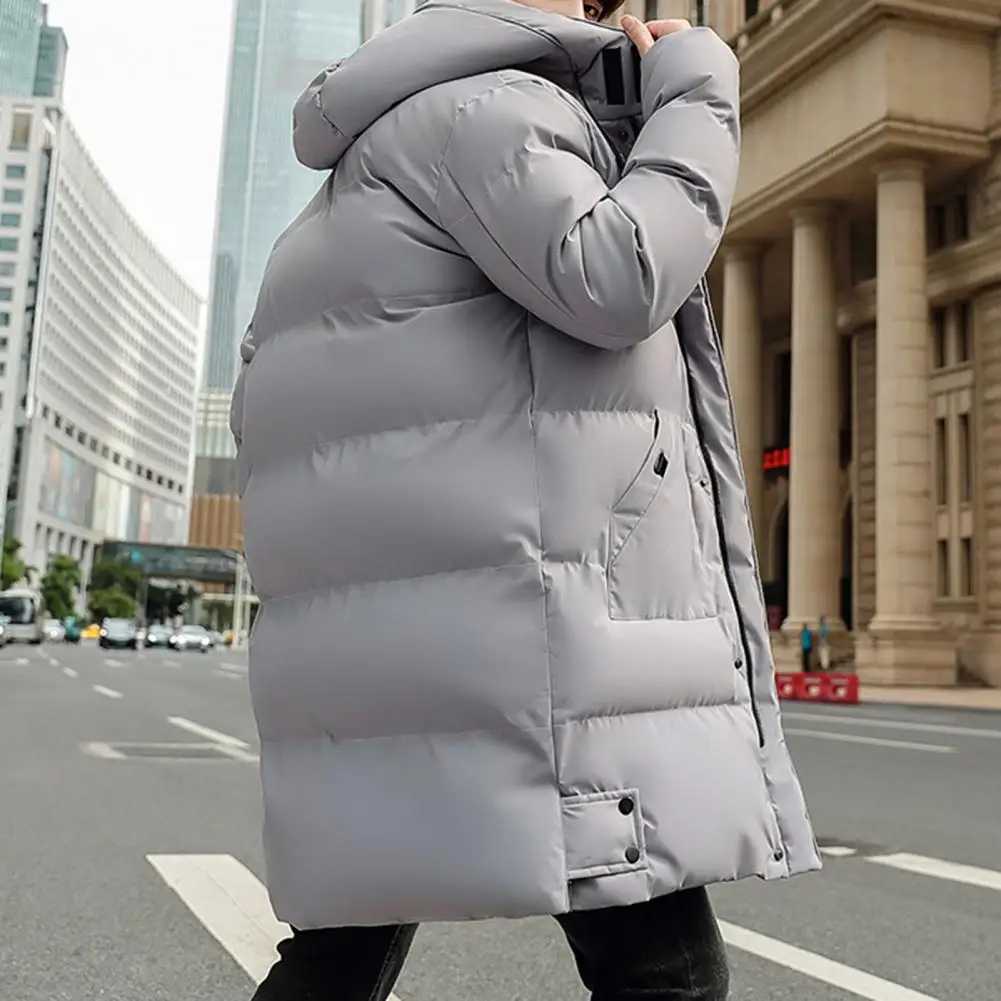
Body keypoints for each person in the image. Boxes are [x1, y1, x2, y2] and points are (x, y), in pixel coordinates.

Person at [230, 1, 821, 998]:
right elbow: (620, 273)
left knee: (339, 955)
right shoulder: (485, 111)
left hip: (429, 640)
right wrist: (696, 87)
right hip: (539, 639)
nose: (605, 8)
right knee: (665, 975)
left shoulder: (371, 163)